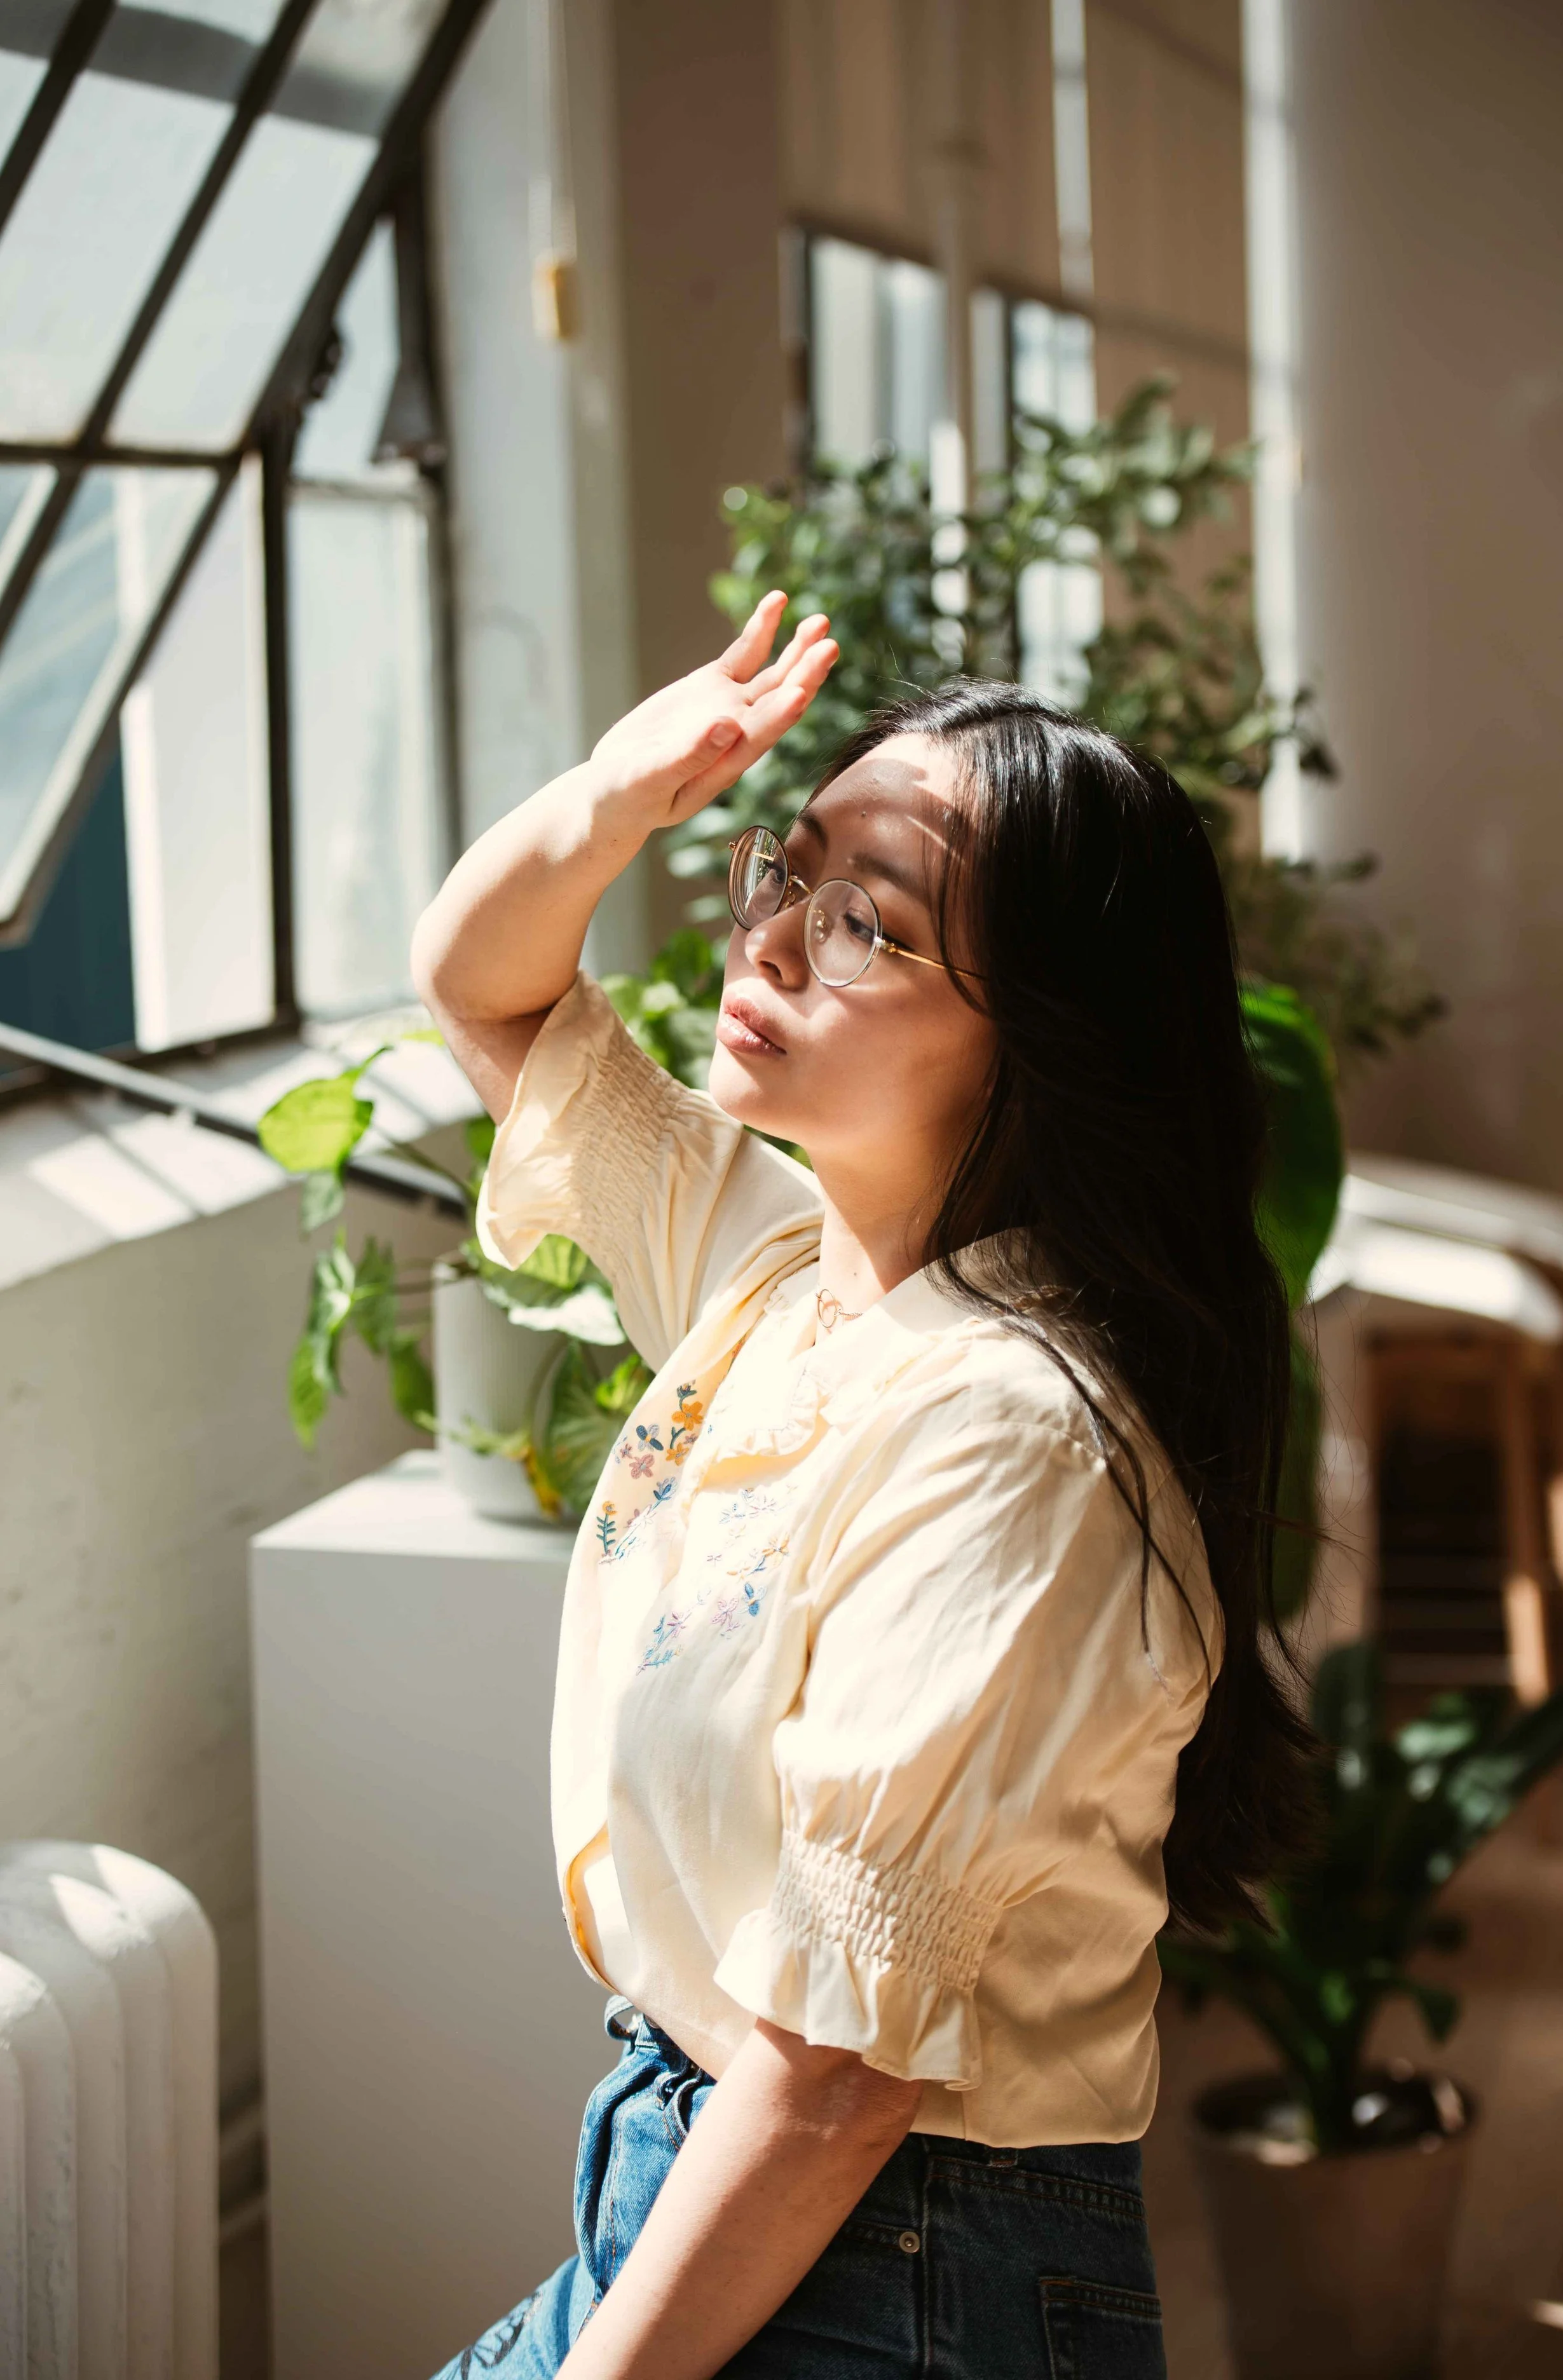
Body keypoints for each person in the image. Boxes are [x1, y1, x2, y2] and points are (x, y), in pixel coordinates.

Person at [411, 594, 1313, 2379]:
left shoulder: (1014, 1438)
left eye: (866, 926)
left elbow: (838, 2071)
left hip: (901, 2255)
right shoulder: (772, 1263)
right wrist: (616, 796)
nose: (769, 939)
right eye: (782, 871)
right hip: (712, 2170)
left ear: (1037, 1040)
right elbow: (482, 988)